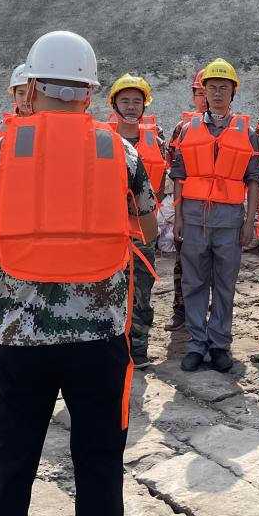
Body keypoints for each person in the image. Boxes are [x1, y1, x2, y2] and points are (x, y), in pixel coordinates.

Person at [0, 31, 157, 516]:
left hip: (21, 340)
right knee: (99, 468)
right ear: (90, 91)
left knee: (11, 469)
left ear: (31, 87)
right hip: (100, 341)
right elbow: (148, 229)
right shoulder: (122, 152)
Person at [169, 59, 259, 373]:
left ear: (233, 92)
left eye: (224, 87)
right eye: (212, 87)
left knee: (224, 283)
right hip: (194, 217)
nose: (218, 93)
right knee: (194, 282)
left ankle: (219, 343)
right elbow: (179, 176)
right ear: (204, 92)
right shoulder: (187, 129)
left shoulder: (248, 132)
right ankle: (196, 344)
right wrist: (178, 217)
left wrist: (250, 222)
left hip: (230, 219)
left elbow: (253, 180)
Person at [106, 73, 167, 370]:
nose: (131, 107)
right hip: (108, 229)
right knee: (106, 289)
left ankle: (138, 347)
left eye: (136, 101)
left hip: (143, 230)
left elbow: (162, 187)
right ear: (114, 104)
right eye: (125, 101)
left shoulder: (158, 141)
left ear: (145, 106)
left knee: (141, 289)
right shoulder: (101, 140)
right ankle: (110, 347)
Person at [164, 69, 208, 333]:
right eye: (199, 93)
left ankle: (210, 312)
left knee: (216, 265)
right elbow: (175, 171)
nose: (204, 98)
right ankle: (180, 310)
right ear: (193, 97)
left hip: (219, 207)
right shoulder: (182, 130)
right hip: (190, 206)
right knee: (184, 261)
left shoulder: (232, 129)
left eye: (207, 92)